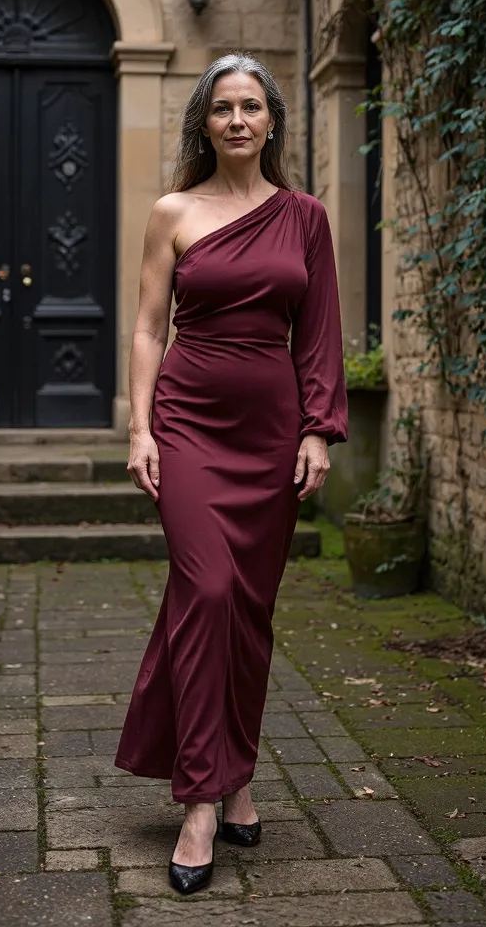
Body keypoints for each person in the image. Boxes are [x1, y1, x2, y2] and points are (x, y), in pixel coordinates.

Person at [115, 53, 348, 895]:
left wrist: (319, 431)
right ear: (204, 124)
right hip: (187, 424)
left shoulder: (307, 217)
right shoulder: (173, 211)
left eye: (253, 106)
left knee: (246, 611)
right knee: (208, 591)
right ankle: (202, 801)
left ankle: (235, 768)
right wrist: (140, 427)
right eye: (224, 109)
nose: (239, 120)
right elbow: (147, 329)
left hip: (270, 433)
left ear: (273, 120)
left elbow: (319, 332)